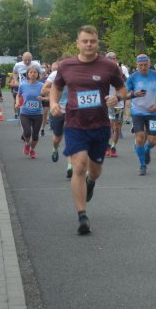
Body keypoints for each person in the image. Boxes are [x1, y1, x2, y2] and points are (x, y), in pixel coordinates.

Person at [49, 26, 127, 235]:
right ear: (78, 43)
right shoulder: (66, 66)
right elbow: (56, 87)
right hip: (75, 124)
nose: (89, 44)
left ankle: (91, 182)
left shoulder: (108, 66)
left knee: (94, 171)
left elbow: (122, 88)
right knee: (79, 166)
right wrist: (54, 103)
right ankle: (82, 215)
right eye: (85, 41)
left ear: (97, 43)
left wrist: (117, 97)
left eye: (92, 41)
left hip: (100, 125)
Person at [126, 54, 156, 175]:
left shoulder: (155, 75)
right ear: (137, 65)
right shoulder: (132, 78)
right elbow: (124, 94)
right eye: (140, 65)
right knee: (140, 137)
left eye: (145, 65)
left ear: (149, 64)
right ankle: (142, 165)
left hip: (152, 111)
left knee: (153, 140)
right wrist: (134, 94)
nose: (143, 67)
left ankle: (146, 150)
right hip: (137, 111)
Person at [42, 57, 73, 177]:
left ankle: (70, 166)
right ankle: (55, 149)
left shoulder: (76, 74)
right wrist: (56, 91)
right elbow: (43, 90)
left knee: (70, 138)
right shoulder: (55, 74)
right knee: (57, 138)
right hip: (57, 109)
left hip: (72, 110)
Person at [18, 66, 45, 159]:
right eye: (31, 72)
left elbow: (51, 95)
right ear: (27, 74)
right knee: (27, 132)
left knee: (35, 135)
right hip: (25, 112)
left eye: (35, 72)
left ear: (38, 74)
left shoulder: (42, 85)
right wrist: (17, 102)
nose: (33, 74)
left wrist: (43, 98)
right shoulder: (23, 85)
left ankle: (32, 149)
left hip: (38, 113)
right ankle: (26, 143)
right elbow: (18, 95)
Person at [105, 52, 126, 158]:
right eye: (111, 58)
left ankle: (113, 146)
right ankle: (107, 146)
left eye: (114, 58)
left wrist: (120, 73)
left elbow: (124, 86)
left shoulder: (120, 70)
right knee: (108, 125)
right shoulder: (102, 70)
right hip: (106, 102)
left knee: (117, 127)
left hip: (118, 103)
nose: (114, 60)